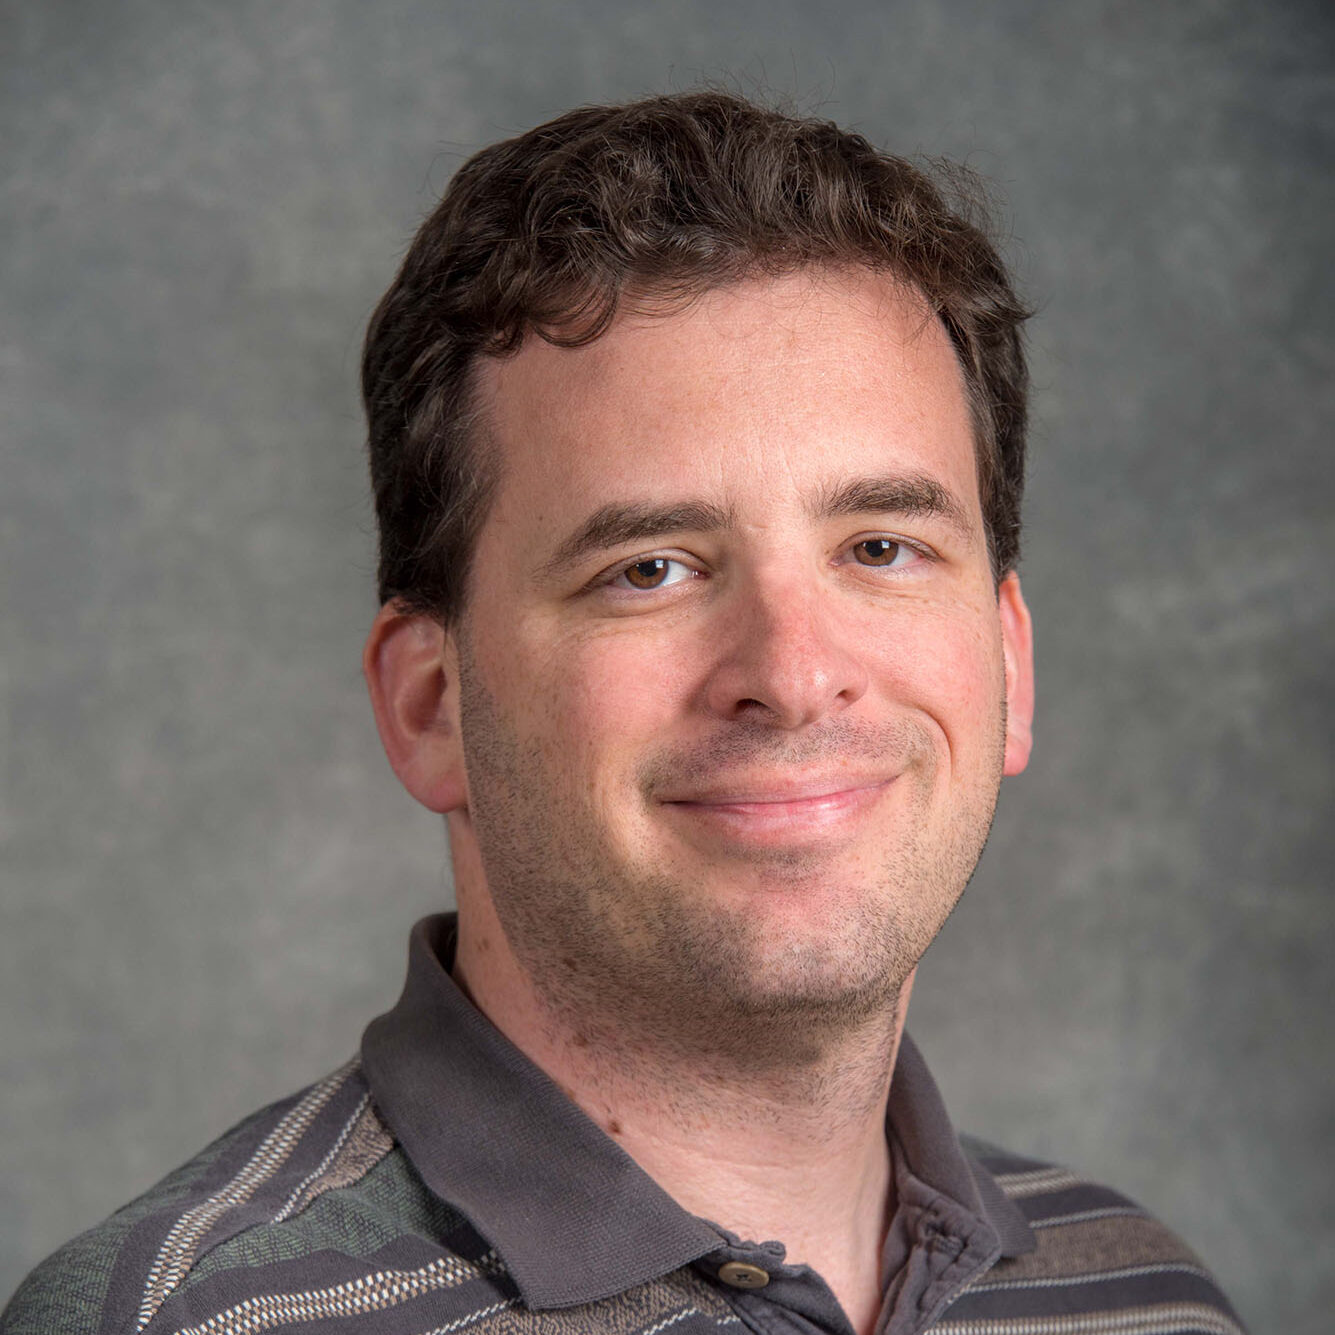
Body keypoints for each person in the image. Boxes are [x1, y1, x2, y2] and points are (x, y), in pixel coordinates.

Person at [2, 91, 1246, 1335]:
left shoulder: (1142, 1297)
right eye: (647, 567)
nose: (794, 672)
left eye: (881, 545)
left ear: (1009, 665)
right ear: (431, 704)